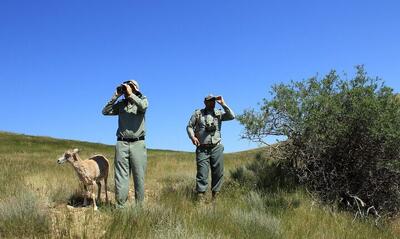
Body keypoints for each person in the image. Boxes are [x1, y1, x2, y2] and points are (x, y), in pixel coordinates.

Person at [102, 80, 148, 208]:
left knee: (139, 177)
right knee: (121, 177)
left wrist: (131, 95)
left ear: (136, 89)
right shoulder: (121, 104)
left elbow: (143, 107)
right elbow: (105, 111)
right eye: (126, 87)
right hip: (122, 143)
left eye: (130, 86)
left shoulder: (142, 100)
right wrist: (115, 96)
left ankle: (139, 208)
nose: (127, 89)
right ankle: (120, 207)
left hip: (138, 143)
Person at [186, 94, 235, 202]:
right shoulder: (198, 114)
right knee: (202, 173)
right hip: (202, 148)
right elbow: (189, 126)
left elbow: (232, 116)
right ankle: (200, 199)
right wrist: (192, 137)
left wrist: (223, 104)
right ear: (205, 102)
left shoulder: (219, 114)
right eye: (209, 101)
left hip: (216, 147)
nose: (212, 103)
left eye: (213, 101)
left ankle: (215, 198)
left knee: (218, 173)